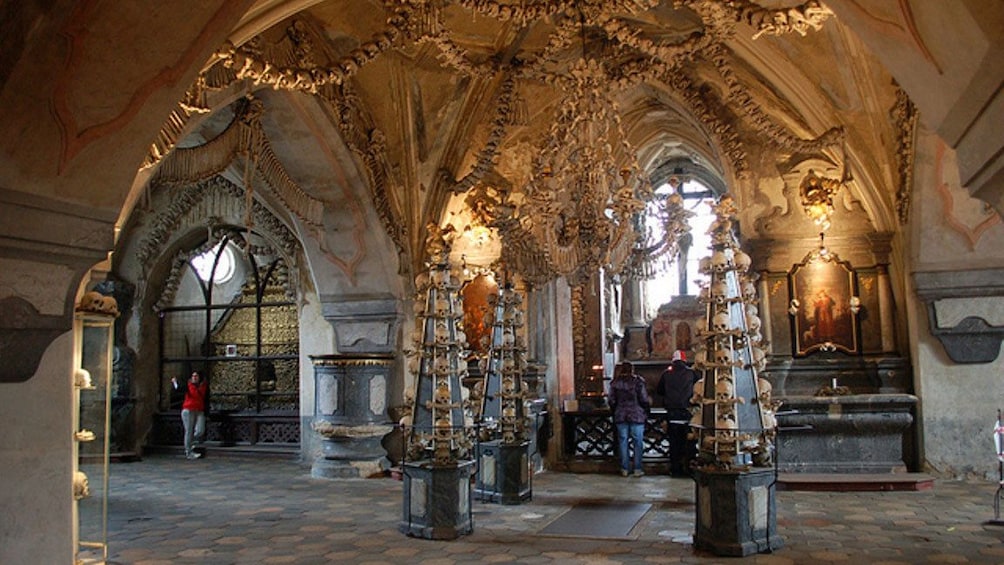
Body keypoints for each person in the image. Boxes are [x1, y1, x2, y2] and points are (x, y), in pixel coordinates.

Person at [657, 351, 699, 476]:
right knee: (690, 443)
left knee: (675, 443)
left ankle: (676, 470)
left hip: (672, 413)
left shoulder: (666, 374)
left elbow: (659, 390)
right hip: (688, 412)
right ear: (685, 361)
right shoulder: (691, 373)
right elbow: (698, 389)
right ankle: (690, 469)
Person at [608, 361, 650, 477]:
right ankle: (637, 468)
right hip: (636, 414)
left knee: (622, 442)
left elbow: (611, 400)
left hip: (621, 414)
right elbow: (644, 398)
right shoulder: (638, 381)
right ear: (632, 369)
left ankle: (624, 468)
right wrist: (646, 409)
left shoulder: (615, 383)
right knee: (638, 442)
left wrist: (615, 410)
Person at [172, 371, 208, 459]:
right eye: (193, 376)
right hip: (188, 410)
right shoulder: (188, 386)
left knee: (200, 430)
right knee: (189, 430)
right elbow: (179, 389)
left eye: (196, 376)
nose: (194, 377)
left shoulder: (204, 386)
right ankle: (189, 452)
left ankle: (190, 442)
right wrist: (175, 382)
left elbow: (206, 398)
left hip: (199, 410)